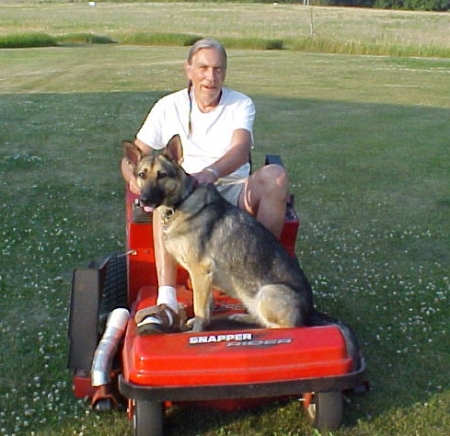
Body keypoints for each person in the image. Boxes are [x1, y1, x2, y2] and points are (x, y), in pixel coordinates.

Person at [121, 38, 289, 334]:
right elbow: (133, 155)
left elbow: (240, 148)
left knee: (276, 176)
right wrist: (137, 183)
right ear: (188, 70)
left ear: (225, 73)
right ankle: (168, 299)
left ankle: (259, 278)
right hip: (185, 191)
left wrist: (212, 172)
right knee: (163, 198)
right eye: (203, 68)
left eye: (218, 69)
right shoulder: (167, 106)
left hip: (230, 184)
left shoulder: (240, 103)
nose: (210, 77)